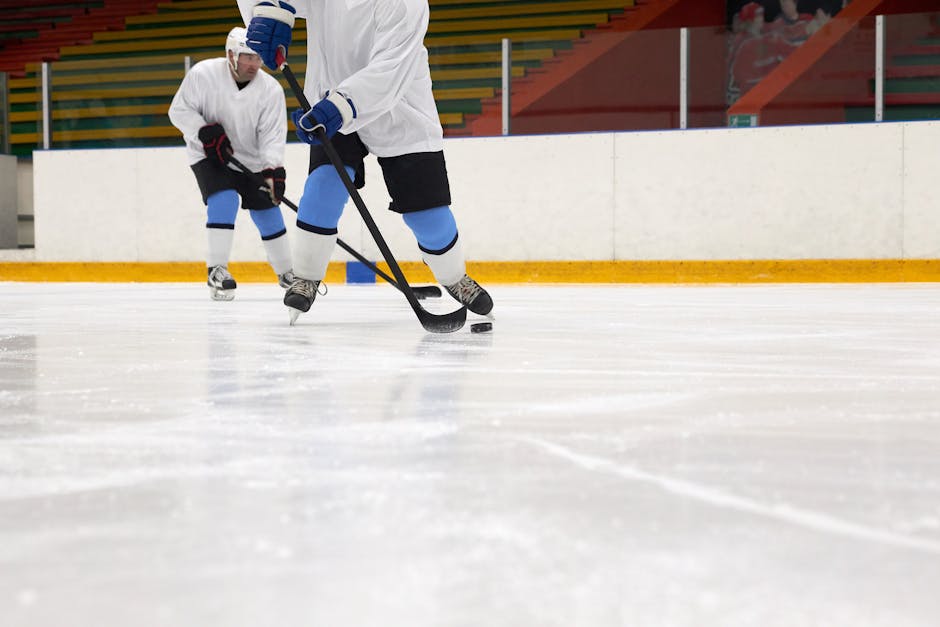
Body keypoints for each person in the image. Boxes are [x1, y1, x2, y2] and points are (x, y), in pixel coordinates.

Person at [236, 0, 493, 322]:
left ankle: (454, 277)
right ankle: (306, 276)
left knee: (428, 216)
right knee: (322, 190)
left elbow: (389, 71)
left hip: (399, 108)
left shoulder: (406, 5)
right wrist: (268, 9)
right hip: (329, 101)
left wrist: (338, 108)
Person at [168, 26, 294, 301]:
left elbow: (272, 136)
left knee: (267, 211)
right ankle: (217, 271)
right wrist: (203, 131)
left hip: (251, 159)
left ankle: (288, 275)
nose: (254, 63)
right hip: (209, 154)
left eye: (258, 57)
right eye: (247, 57)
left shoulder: (270, 90)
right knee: (224, 199)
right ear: (230, 54)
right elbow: (178, 111)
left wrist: (273, 171)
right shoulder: (203, 75)